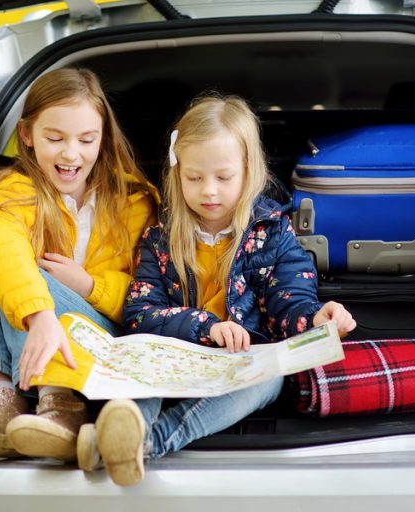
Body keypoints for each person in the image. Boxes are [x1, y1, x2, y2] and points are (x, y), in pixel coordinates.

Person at [76, 94, 356, 486]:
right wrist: (205, 327)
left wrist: (314, 317)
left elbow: (288, 300)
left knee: (268, 379)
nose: (209, 191)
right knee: (141, 367)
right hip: (174, 359)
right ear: (178, 174)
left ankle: (142, 443)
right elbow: (140, 312)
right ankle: (125, 428)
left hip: (241, 364)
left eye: (223, 178)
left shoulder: (272, 233)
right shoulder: (160, 237)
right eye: (194, 178)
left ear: (249, 172)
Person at [0, 68, 157, 462]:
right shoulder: (16, 191)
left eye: (87, 140)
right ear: (27, 136)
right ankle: (1, 402)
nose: (71, 154)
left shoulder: (133, 202)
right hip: (42, 327)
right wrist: (41, 314)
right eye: (55, 138)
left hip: (107, 338)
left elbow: (151, 297)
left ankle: (61, 406)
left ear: (103, 140)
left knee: (26, 273)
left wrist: (88, 286)